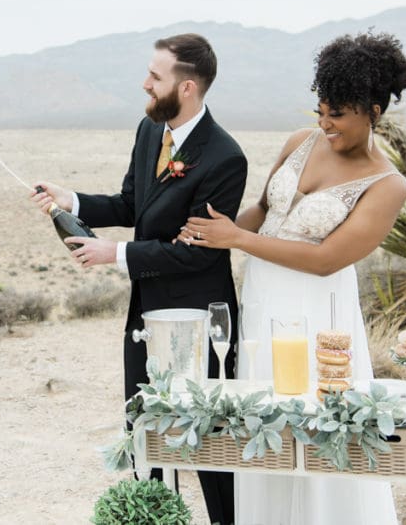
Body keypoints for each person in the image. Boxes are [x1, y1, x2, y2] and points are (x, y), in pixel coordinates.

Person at [178, 30, 406, 525]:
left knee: (317, 429)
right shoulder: (298, 142)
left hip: (318, 314)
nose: (326, 124)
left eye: (339, 114)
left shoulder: (388, 184)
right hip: (263, 302)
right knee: (262, 423)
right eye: (321, 111)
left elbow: (328, 258)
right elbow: (264, 212)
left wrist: (237, 241)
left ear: (373, 110)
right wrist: (204, 232)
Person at [33, 33, 247, 525]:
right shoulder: (150, 132)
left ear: (187, 87)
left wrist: (116, 254)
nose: (144, 84)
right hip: (145, 316)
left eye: (155, 76)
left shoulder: (225, 158)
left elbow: (196, 252)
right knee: (144, 433)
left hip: (199, 322)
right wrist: (74, 201)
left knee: (210, 445)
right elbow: (132, 205)